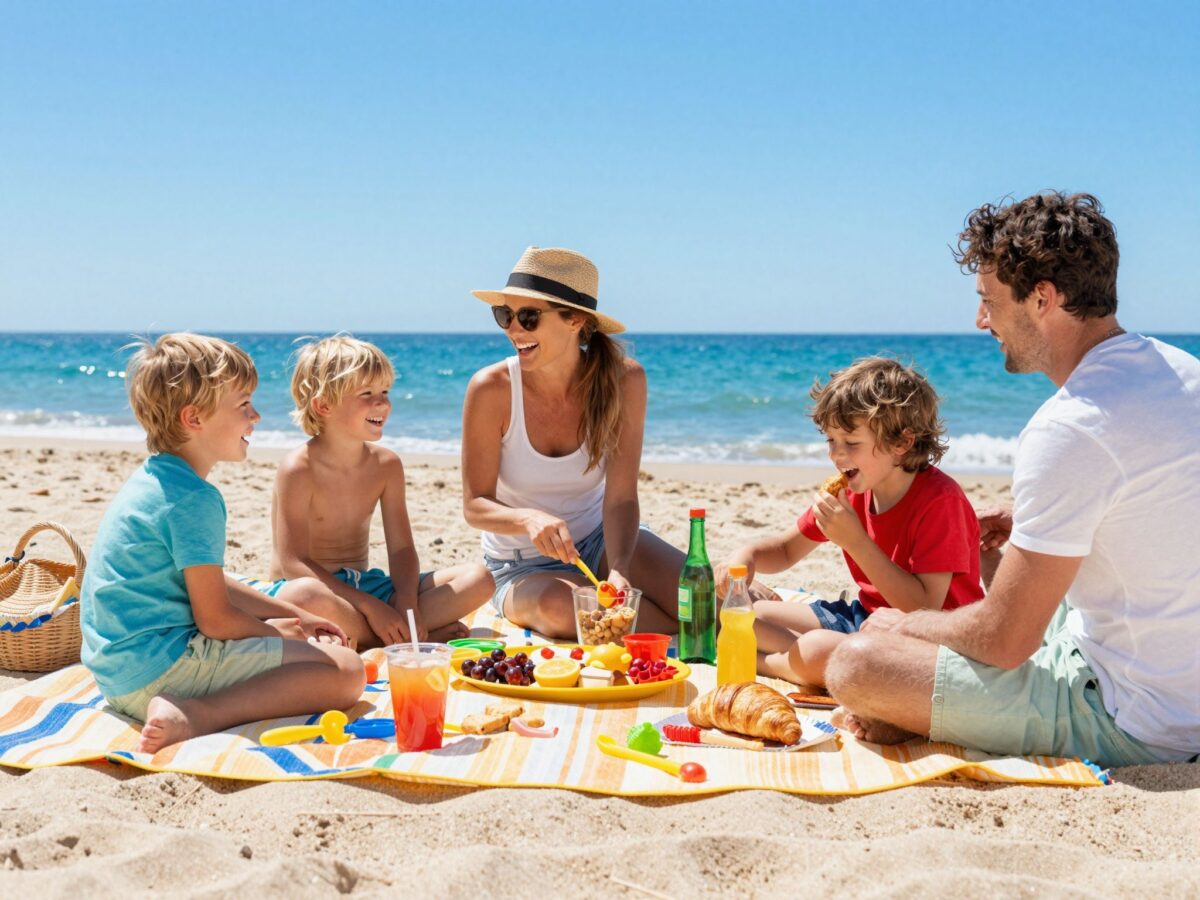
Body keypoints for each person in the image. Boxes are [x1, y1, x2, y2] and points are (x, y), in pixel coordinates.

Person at [825, 192, 1200, 767]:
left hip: (1139, 717)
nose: (981, 321)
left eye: (988, 301)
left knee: (857, 663)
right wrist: (1028, 520)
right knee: (998, 575)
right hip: (1180, 678)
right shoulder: (1182, 374)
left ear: (1043, 298)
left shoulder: (1070, 426)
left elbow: (1005, 642)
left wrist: (911, 625)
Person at [81, 333, 362, 754]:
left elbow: (204, 584)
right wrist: (278, 635)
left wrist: (293, 616)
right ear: (194, 418)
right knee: (347, 671)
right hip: (162, 671)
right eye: (244, 404)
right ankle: (199, 714)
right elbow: (214, 619)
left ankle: (192, 702)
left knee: (300, 607)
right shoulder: (194, 499)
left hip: (119, 674)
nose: (256, 415)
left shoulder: (154, 479)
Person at [716, 358, 983, 687]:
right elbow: (786, 550)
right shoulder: (854, 490)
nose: (836, 454)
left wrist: (856, 542)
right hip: (866, 617)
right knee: (746, 615)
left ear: (902, 443)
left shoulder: (940, 502)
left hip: (930, 643)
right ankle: (806, 660)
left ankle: (778, 663)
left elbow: (923, 608)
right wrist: (747, 556)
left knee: (815, 649)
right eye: (831, 441)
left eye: (852, 443)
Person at [461, 246, 684, 638]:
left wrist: (620, 568)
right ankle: (689, 630)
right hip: (519, 564)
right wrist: (528, 519)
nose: (513, 329)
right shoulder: (491, 388)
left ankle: (702, 625)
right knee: (573, 612)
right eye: (505, 315)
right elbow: (475, 506)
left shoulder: (625, 381)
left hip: (602, 541)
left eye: (528, 317)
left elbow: (621, 498)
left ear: (575, 321)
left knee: (702, 595)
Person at [266, 335, 493, 648]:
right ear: (323, 405)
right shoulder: (298, 468)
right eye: (367, 393)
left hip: (367, 584)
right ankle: (399, 636)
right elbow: (293, 563)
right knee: (304, 596)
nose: (382, 403)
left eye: (385, 392)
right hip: (318, 590)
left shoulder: (386, 464)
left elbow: (401, 549)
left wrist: (407, 600)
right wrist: (372, 608)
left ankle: (385, 633)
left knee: (480, 578)